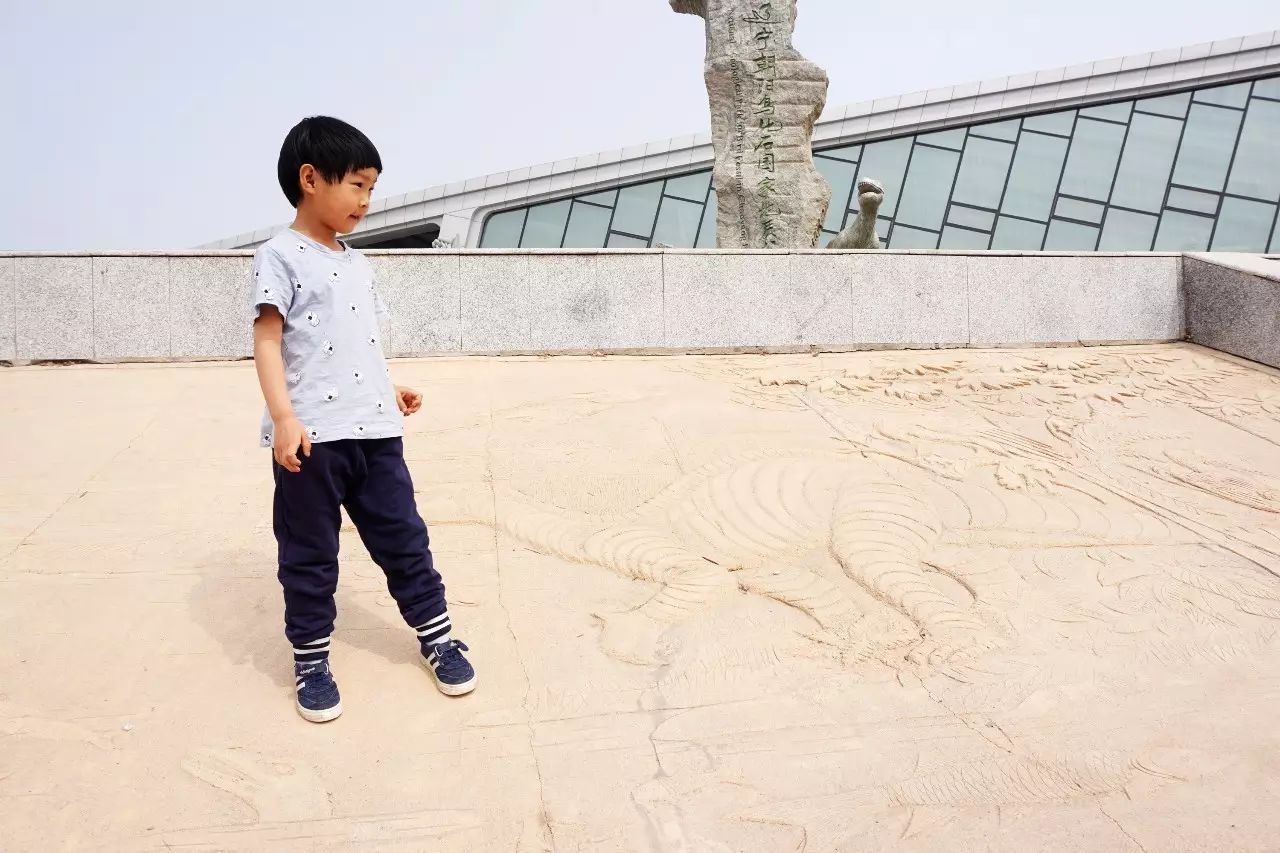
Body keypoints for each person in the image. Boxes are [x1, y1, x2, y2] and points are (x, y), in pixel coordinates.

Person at [250, 116, 474, 723]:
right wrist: (284, 417)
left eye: (371, 188)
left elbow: (353, 342)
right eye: (356, 185)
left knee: (404, 538)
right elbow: (269, 341)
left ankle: (437, 636)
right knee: (310, 553)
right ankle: (312, 660)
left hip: (374, 430)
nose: (366, 201)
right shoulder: (279, 257)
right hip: (312, 441)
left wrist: (386, 385)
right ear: (310, 179)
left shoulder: (356, 262)